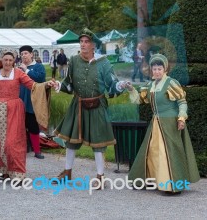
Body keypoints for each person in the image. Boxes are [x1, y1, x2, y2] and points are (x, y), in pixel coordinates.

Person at [0, 49, 55, 182]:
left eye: (10, 60)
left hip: (14, 110)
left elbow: (33, 86)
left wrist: (46, 84)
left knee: (12, 143)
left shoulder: (18, 73)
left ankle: (16, 174)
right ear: (1, 60)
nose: (7, 62)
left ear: (14, 61)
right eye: (5, 60)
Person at [53, 28, 127, 188]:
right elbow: (68, 83)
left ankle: (100, 177)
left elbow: (111, 85)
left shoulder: (104, 63)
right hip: (77, 105)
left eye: (87, 42)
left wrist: (120, 85)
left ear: (94, 45)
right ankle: (67, 172)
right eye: (81, 41)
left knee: (98, 142)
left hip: (98, 106)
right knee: (71, 140)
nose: (83, 44)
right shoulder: (73, 60)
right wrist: (59, 85)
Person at [125, 54, 199, 194]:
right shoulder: (150, 85)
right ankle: (152, 181)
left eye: (160, 69)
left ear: (165, 69)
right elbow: (139, 100)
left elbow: (182, 102)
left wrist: (181, 118)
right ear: (151, 70)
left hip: (170, 123)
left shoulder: (171, 83)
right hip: (156, 123)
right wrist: (130, 89)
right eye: (155, 69)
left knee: (168, 153)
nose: (157, 71)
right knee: (153, 152)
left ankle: (171, 186)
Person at [18, 45, 46, 159]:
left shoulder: (38, 66)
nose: (24, 56)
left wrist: (26, 70)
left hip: (32, 100)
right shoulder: (18, 68)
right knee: (19, 126)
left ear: (31, 54)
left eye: (25, 53)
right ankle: (21, 148)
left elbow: (40, 78)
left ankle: (37, 150)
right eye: (22, 54)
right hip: (20, 98)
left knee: (33, 125)